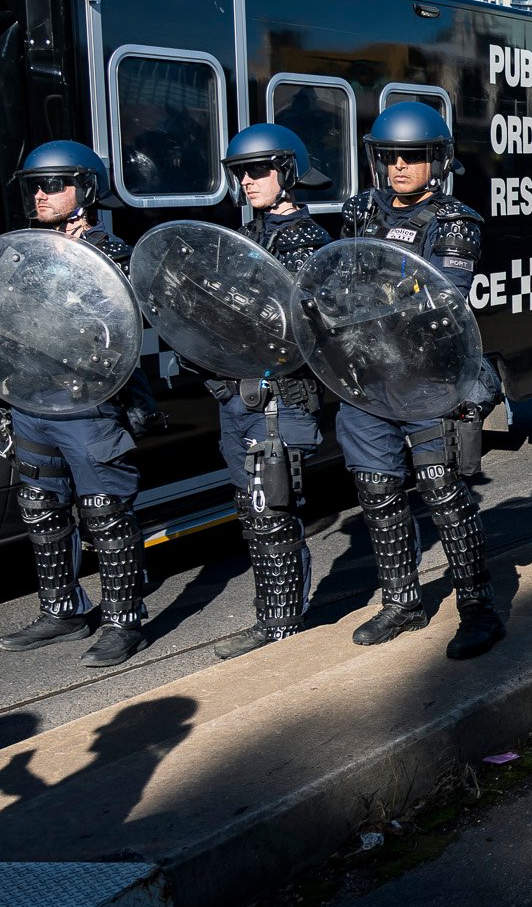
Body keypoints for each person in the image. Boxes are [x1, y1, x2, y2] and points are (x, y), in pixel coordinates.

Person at [338, 102, 504, 660]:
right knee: (377, 490)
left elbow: (441, 302)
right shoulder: (360, 211)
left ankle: (478, 607)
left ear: (437, 160)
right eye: (391, 157)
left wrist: (372, 298)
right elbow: (336, 281)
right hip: (367, 378)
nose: (400, 167)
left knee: (443, 491)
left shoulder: (455, 221)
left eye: (412, 156)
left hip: (427, 379)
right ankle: (402, 602)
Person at [0, 142, 160, 667]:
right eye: (34, 187)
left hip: (88, 404)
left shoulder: (112, 255)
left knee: (105, 513)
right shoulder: (21, 251)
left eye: (52, 185)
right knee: (40, 507)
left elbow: (125, 331)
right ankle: (62, 611)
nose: (40, 196)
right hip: (31, 399)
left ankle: (123, 622)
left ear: (85, 190)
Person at [208, 124, 335, 659]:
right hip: (239, 395)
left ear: (288, 173)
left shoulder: (310, 242)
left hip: (280, 397)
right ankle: (273, 615)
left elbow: (303, 328)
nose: (247, 181)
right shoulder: (244, 238)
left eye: (258, 170)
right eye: (241, 172)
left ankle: (281, 624)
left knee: (272, 511)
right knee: (252, 510)